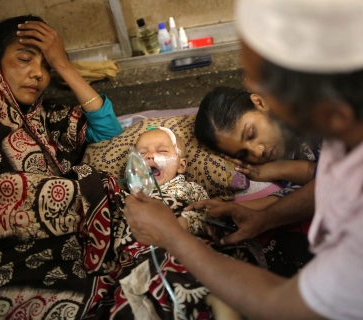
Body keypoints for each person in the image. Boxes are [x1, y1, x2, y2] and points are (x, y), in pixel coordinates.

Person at [124, 0, 363, 319]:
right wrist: (260, 215)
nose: (251, 88)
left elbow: (281, 304)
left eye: (262, 83)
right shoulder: (344, 137)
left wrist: (173, 236)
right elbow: (323, 181)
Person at [0, 14, 124, 319]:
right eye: (25, 59)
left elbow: (109, 132)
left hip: (56, 238)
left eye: (47, 66)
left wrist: (64, 64)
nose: (38, 74)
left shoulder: (47, 117)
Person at [133, 126, 243, 320]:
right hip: (146, 257)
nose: (150, 156)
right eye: (142, 154)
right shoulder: (130, 197)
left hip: (186, 249)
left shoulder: (188, 189)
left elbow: (209, 217)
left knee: (219, 285)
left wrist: (185, 221)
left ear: (181, 166)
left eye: (161, 151)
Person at [195, 86, 320, 210]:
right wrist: (223, 211)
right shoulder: (284, 154)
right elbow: (297, 199)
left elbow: (335, 180)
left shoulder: (314, 110)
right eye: (243, 154)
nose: (257, 152)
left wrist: (280, 169)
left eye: (251, 134)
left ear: (260, 103)